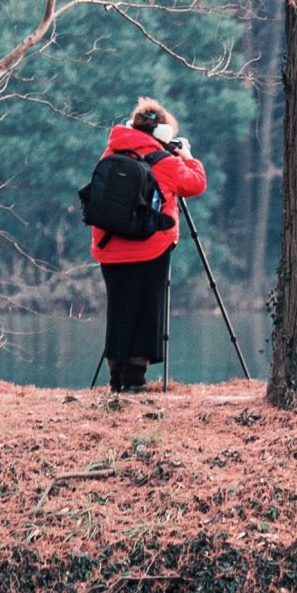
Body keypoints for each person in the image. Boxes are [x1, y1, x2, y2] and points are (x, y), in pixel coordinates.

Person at [87, 98, 210, 393]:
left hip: (108, 246)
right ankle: (134, 379)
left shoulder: (109, 153)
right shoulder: (164, 161)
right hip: (151, 247)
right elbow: (196, 184)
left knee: (119, 308)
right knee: (146, 308)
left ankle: (116, 377)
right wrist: (187, 156)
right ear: (163, 133)